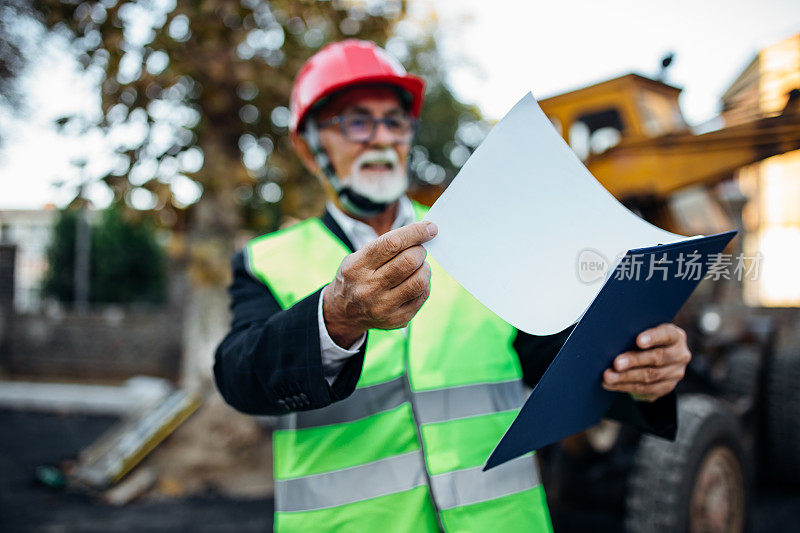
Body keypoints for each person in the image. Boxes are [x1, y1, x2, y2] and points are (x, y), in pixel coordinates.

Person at [214, 39, 692, 532]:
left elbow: (558, 356)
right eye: (357, 121)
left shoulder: (474, 233)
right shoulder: (267, 261)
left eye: (394, 121)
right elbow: (239, 376)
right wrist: (336, 316)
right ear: (308, 148)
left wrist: (641, 366)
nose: (381, 139)